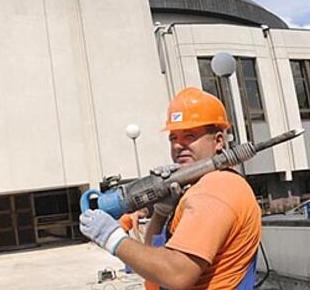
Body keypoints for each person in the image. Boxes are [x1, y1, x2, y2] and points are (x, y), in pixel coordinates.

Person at [80, 87, 262, 290]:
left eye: (189, 136)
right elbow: (152, 254)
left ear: (219, 141)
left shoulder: (215, 189)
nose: (178, 146)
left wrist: (112, 237)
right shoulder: (204, 185)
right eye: (174, 138)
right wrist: (161, 212)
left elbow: (177, 273)